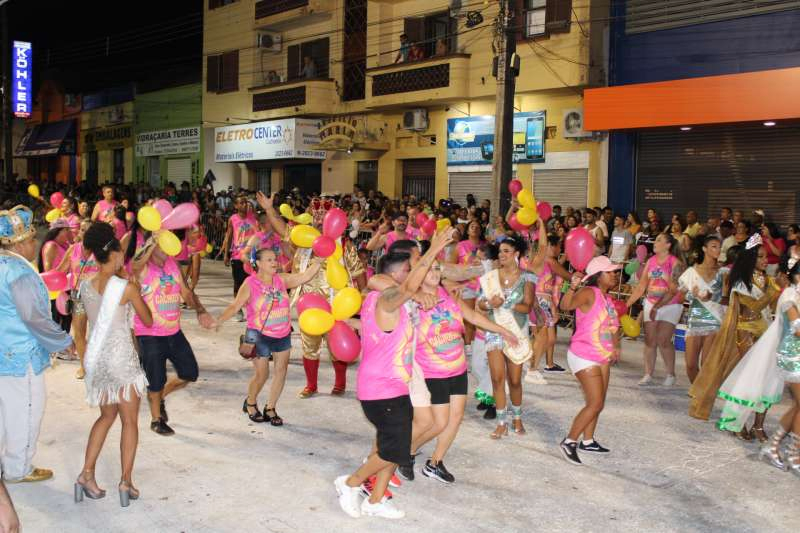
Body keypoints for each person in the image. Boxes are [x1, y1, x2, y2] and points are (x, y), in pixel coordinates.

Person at [334, 228, 455, 520]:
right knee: (392, 450)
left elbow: (411, 293)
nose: (418, 273)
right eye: (412, 268)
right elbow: (398, 288)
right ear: (403, 271)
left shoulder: (399, 302)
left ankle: (376, 500)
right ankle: (350, 483)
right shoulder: (385, 300)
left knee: (398, 447)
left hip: (395, 386)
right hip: (380, 389)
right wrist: (432, 250)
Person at [258, 192, 366, 398]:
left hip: (337, 304)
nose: (318, 219)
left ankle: (340, 384)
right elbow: (283, 229)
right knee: (309, 345)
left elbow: (359, 273)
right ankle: (311, 385)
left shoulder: (344, 246)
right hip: (308, 304)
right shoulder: (303, 241)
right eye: (316, 215)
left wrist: (362, 300)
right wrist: (269, 209)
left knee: (337, 345)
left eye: (323, 216)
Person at [75, 222, 152, 507]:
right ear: (117, 253)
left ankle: (86, 474)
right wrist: (138, 293)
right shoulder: (126, 288)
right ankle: (126, 481)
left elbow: (78, 327)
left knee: (105, 417)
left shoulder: (84, 286)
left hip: (99, 362)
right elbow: (147, 320)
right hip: (122, 361)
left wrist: (84, 360)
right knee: (129, 421)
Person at [0, 206, 74, 484]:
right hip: (21, 356)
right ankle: (18, 468)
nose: (35, 244)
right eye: (31, 240)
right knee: (26, 410)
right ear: (18, 243)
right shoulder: (19, 272)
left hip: (3, 354)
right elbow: (33, 317)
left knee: (4, 411)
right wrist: (63, 341)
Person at [216, 249, 323, 425]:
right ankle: (250, 402)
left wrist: (318, 262)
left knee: (281, 372)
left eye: (275, 259)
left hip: (282, 333)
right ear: (258, 263)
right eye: (269, 260)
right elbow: (235, 306)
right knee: (262, 375)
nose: (274, 263)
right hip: (258, 335)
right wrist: (218, 321)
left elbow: (304, 277)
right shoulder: (250, 284)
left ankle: (270, 407)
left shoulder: (282, 280)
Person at [689, 234, 780, 433]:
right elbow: (753, 308)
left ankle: (758, 425)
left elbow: (772, 308)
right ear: (750, 259)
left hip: (765, 334)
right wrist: (773, 292)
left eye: (766, 257)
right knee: (748, 378)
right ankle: (737, 422)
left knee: (763, 379)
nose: (766, 260)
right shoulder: (740, 283)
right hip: (745, 334)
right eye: (761, 257)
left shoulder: (768, 280)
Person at [714, 257, 798, 471]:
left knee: (789, 399)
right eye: (758, 257)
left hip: (782, 343)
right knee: (761, 383)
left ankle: (770, 439)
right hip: (779, 349)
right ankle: (787, 450)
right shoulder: (787, 293)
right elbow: (795, 328)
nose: (762, 260)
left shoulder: (786, 289)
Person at [131, 235, 217, 436]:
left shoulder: (173, 264)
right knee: (156, 379)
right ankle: (156, 419)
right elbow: (134, 265)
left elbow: (186, 293)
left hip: (173, 331)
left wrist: (200, 310)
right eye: (162, 245)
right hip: (149, 334)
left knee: (189, 373)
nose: (167, 249)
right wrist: (151, 245)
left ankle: (159, 397)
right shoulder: (142, 268)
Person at [558, 256, 622, 465]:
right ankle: (569, 441)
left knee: (597, 402)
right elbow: (565, 305)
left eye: (615, 271)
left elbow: (613, 326)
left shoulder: (607, 298)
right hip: (584, 355)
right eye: (610, 272)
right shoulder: (589, 293)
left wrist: (615, 346)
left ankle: (588, 440)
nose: (615, 275)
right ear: (597, 276)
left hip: (602, 355)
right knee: (595, 403)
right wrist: (572, 287)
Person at [476, 236, 535, 438]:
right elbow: (480, 304)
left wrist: (506, 304)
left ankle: (517, 417)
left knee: (515, 380)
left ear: (516, 253)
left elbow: (527, 307)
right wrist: (488, 303)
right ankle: (502, 422)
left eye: (506, 251)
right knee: (497, 378)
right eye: (500, 251)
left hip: (516, 332)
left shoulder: (527, 277)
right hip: (494, 330)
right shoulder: (491, 276)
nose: (502, 255)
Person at [626, 233, 685, 386]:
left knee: (664, 340)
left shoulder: (675, 263)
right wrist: (626, 304)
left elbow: (674, 290)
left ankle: (671, 374)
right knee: (650, 340)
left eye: (659, 240)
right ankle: (648, 374)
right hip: (651, 301)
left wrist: (658, 306)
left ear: (668, 245)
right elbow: (641, 286)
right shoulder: (651, 261)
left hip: (671, 304)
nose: (655, 242)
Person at [677, 236, 725, 383]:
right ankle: (698, 391)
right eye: (713, 246)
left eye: (719, 246)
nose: (717, 249)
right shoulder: (692, 271)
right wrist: (693, 294)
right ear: (704, 248)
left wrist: (712, 297)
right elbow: (680, 298)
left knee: (706, 365)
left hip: (714, 319)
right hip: (695, 318)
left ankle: (701, 397)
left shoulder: (723, 272)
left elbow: (727, 298)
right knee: (691, 365)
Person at [57, 220, 98, 380]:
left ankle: (98, 365)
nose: (84, 233)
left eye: (88, 230)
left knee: (98, 333)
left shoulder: (101, 251)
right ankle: (84, 366)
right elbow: (60, 270)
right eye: (82, 229)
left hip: (97, 298)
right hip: (78, 297)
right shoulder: (73, 249)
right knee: (79, 333)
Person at [222, 195, 257, 322]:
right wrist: (226, 254)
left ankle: (252, 310)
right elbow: (229, 236)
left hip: (252, 256)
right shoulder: (233, 219)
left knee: (253, 283)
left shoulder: (253, 218)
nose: (244, 205)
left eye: (245, 202)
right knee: (238, 283)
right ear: (236, 206)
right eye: (241, 203)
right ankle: (238, 309)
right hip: (237, 255)